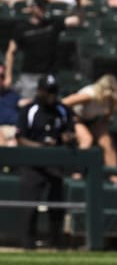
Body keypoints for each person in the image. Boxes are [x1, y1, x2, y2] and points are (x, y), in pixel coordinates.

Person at [16, 74, 76, 249]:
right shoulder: (29, 110)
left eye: (54, 91)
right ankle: (28, 243)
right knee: (29, 205)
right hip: (32, 164)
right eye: (48, 91)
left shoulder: (63, 110)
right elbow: (20, 138)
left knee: (57, 205)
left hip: (55, 165)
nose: (51, 95)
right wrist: (39, 146)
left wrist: (68, 137)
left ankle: (56, 241)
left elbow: (70, 132)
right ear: (40, 91)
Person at [4, 0, 83, 106]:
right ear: (31, 7)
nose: (42, 9)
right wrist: (8, 76)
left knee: (49, 107)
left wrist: (79, 5)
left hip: (49, 75)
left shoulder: (53, 23)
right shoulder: (22, 28)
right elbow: (11, 52)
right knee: (27, 107)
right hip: (29, 76)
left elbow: (77, 20)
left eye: (44, 6)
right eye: (39, 6)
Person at [61, 74, 117, 180]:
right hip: (76, 118)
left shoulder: (111, 100)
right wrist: (71, 119)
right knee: (87, 139)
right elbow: (63, 103)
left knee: (106, 142)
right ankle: (77, 173)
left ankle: (114, 177)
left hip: (93, 121)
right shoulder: (89, 95)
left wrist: (101, 127)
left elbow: (107, 117)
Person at [0, 63, 20, 147]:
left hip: (13, 129)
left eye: (2, 76)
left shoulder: (12, 95)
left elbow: (26, 104)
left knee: (13, 144)